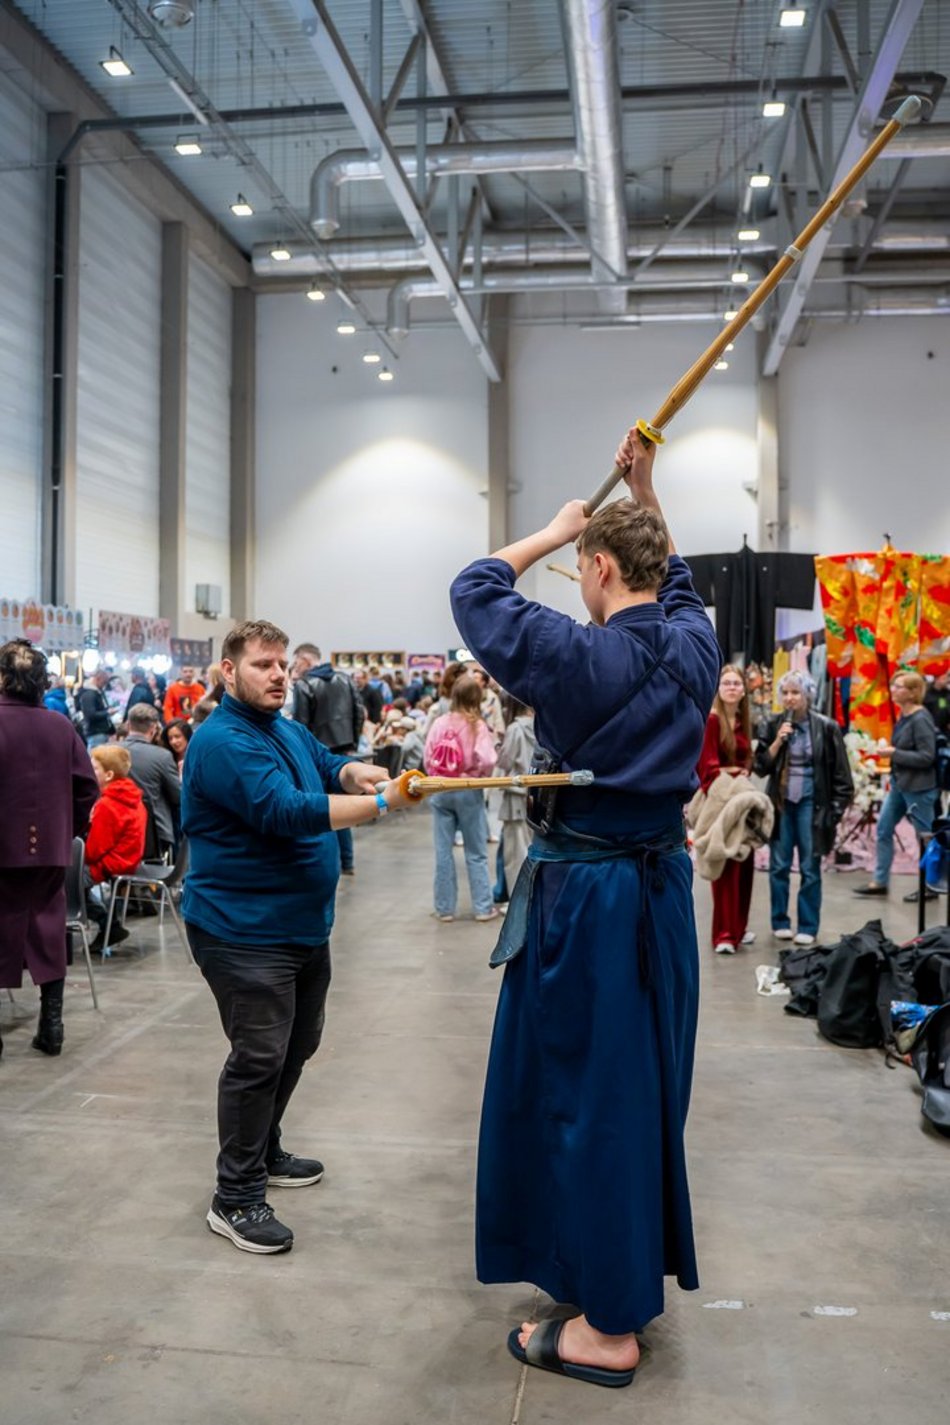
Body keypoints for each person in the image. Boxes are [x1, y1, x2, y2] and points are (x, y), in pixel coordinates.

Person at [449, 427, 720, 1387]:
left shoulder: (573, 655)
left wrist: (553, 530)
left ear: (598, 567)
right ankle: (603, 1270)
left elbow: (476, 588)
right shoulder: (696, 646)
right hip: (661, 897)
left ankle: (608, 1327)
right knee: (639, 1093)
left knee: (590, 1100)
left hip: (592, 904)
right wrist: (645, 492)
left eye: (582, 568)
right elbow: (681, 581)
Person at [181, 619, 421, 1256]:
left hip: (301, 928)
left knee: (298, 1044)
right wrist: (382, 805)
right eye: (262, 664)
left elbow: (323, 763)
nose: (278, 675)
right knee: (259, 1057)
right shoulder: (222, 741)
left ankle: (262, 1149)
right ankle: (235, 1197)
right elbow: (283, 810)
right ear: (228, 671)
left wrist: (356, 771)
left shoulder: (283, 727)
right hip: (242, 931)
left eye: (282, 664)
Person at [0, 641, 99, 1058]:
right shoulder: (61, 726)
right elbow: (88, 787)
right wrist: (66, 829)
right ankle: (52, 1026)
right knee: (49, 928)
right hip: (51, 849)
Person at [753, 670, 854, 947]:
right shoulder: (773, 724)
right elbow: (760, 767)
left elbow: (843, 778)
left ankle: (808, 925)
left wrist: (833, 814)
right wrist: (777, 741)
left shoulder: (826, 727)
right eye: (785, 693)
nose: (790, 698)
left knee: (810, 867)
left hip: (813, 804)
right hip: (782, 804)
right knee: (779, 866)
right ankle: (780, 921)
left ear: (807, 695)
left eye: (795, 692)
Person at [855, 670, 939, 897]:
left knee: (925, 837)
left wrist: (894, 753)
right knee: (883, 829)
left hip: (919, 788)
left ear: (912, 692)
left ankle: (930, 886)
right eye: (893, 685)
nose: (893, 690)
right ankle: (880, 881)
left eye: (899, 686)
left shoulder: (920, 719)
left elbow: (926, 756)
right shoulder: (905, 716)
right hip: (901, 785)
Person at [424, 674, 499, 922]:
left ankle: (444, 909)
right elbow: (487, 759)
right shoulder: (478, 725)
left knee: (443, 851)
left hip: (440, 788)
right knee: (476, 852)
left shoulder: (439, 723)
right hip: (468, 789)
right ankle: (483, 908)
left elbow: (427, 757)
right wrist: (479, 774)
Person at [291, 643, 365, 877]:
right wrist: (353, 742)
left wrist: (303, 755)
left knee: (323, 810)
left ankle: (329, 864)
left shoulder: (304, 685)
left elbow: (300, 725)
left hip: (317, 756)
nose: (295, 667)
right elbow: (359, 712)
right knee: (344, 808)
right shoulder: (345, 679)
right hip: (344, 751)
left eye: (296, 662)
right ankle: (348, 861)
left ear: (305, 660)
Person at [697, 665, 755, 953]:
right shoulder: (712, 721)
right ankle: (723, 934)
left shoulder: (744, 723)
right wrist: (731, 774)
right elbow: (707, 768)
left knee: (744, 863)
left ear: (743, 690)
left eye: (736, 684)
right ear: (718, 689)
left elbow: (747, 761)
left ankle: (739, 929)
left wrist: (741, 773)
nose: (732, 688)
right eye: (727, 683)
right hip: (720, 803)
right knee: (724, 863)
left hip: (742, 801)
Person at [84, 745, 148, 951]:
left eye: (95, 768)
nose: (90, 772)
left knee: (64, 880)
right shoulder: (132, 796)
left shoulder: (108, 804)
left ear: (109, 774)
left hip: (111, 864)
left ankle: (107, 923)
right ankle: (109, 924)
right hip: (128, 860)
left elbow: (92, 852)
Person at [493, 695, 536, 900]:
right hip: (539, 794)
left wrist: (497, 747)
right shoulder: (542, 727)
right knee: (534, 849)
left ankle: (519, 901)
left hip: (516, 794)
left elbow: (505, 762)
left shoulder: (515, 729)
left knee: (515, 854)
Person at [125, 704, 181, 858]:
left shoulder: (107, 752)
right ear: (154, 729)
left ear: (128, 725)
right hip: (154, 837)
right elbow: (178, 796)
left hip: (114, 830)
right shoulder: (162, 756)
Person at [75, 668, 114, 747]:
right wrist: (107, 712)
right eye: (103, 682)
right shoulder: (89, 694)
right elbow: (90, 715)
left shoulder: (95, 692)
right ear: (97, 679)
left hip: (98, 731)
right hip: (95, 732)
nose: (104, 686)